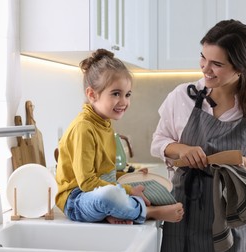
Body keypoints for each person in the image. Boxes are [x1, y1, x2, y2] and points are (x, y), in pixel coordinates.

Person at [151, 20, 246, 252]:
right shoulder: (182, 96)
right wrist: (182, 150)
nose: (205, 69)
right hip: (182, 211)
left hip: (230, 216)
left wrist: (235, 163)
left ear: (240, 68)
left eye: (217, 64)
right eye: (203, 58)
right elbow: (159, 142)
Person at [55, 48, 184, 225]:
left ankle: (120, 212)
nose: (124, 102)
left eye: (127, 94)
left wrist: (130, 175)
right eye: (116, 94)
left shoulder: (104, 123)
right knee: (109, 197)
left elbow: (104, 173)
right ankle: (147, 212)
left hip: (94, 194)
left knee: (139, 190)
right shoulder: (83, 128)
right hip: (76, 200)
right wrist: (129, 189)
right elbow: (86, 183)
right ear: (92, 94)